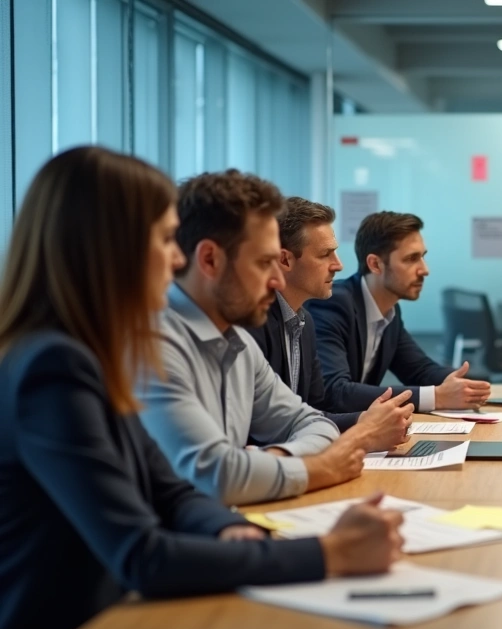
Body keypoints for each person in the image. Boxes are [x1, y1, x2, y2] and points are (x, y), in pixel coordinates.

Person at [0, 147, 404, 629]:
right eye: (166, 239)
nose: (176, 257)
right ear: (107, 247)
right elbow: (141, 554)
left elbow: (172, 491)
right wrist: (332, 553)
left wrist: (225, 529)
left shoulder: (92, 352)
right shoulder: (54, 368)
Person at [138, 170, 410, 506]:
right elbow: (219, 477)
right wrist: (321, 467)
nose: (277, 281)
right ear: (209, 259)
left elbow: (312, 421)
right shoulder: (151, 346)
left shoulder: (238, 342)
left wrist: (275, 458)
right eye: (265, 262)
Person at [245, 196, 414, 432]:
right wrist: (364, 425)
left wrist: (365, 421)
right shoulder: (252, 326)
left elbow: (312, 412)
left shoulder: (305, 323)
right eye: (325, 255)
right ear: (285, 259)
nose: (338, 265)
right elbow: (262, 429)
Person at [309, 212, 491, 414]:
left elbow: (419, 370)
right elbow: (335, 392)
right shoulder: (333, 304)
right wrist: (438, 396)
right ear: (375, 264)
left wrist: (459, 383)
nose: (424, 270)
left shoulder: (389, 309)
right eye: (412, 259)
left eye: (422, 257)